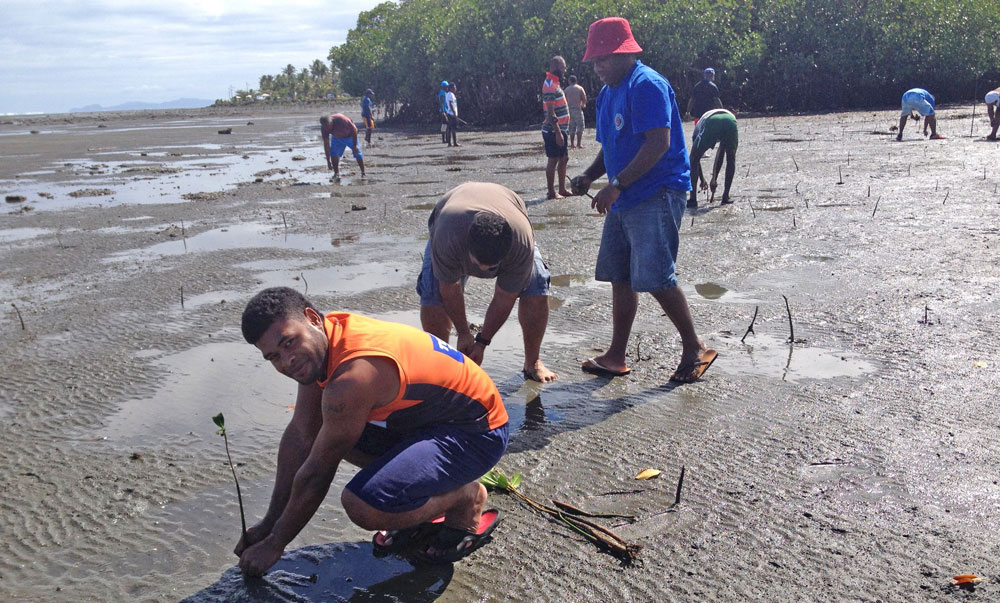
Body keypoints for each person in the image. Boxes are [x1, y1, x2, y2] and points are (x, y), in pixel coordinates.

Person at [234, 287, 508, 575]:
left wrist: (276, 543)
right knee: (325, 432)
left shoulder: (353, 375)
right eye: (273, 357)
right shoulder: (326, 341)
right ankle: (420, 496)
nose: (286, 361)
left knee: (364, 504)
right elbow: (301, 435)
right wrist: (268, 524)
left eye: (289, 343)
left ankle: (465, 497)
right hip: (432, 420)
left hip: (479, 431)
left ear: (312, 318)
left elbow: (317, 473)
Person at [569, 17, 717, 383]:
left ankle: (694, 346)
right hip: (624, 194)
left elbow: (659, 144)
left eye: (605, 58)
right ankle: (616, 355)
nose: (599, 66)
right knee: (620, 275)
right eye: (595, 61)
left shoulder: (646, 84)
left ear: (625, 54)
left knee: (655, 276)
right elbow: (611, 148)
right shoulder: (606, 94)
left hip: (657, 191)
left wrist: (616, 185)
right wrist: (590, 176)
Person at [417, 182, 558, 383]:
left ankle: (532, 361)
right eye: (478, 264)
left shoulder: (520, 243)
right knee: (433, 295)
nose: (483, 271)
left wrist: (482, 342)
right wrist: (464, 333)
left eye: (491, 267)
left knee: (536, 285)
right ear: (468, 251)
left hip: (511, 212)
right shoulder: (448, 237)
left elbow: (504, 296)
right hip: (449, 218)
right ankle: (440, 364)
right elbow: (449, 288)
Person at [687, 108, 738, 208]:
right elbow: (721, 154)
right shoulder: (729, 116)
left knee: (693, 158)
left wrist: (703, 180)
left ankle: (693, 199)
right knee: (731, 158)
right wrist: (713, 178)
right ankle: (726, 196)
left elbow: (695, 160)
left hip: (711, 121)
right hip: (731, 121)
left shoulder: (697, 130)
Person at [542, 56, 572, 199]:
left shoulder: (555, 83)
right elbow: (550, 111)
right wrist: (558, 132)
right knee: (553, 159)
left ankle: (562, 188)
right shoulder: (549, 84)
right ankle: (551, 192)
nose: (565, 70)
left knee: (564, 158)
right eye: (563, 67)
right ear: (557, 66)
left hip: (562, 129)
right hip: (553, 130)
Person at [320, 113, 366, 178]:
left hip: (349, 136)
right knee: (334, 154)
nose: (328, 128)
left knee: (357, 153)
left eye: (328, 126)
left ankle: (363, 172)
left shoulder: (341, 119)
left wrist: (355, 146)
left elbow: (355, 130)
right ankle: (336, 173)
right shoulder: (324, 128)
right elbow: (326, 145)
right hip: (336, 138)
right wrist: (328, 161)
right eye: (325, 127)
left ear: (331, 122)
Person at [564, 75, 588, 149]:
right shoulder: (580, 88)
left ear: (570, 81)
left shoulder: (566, 89)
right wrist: (583, 104)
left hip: (569, 110)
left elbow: (563, 100)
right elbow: (584, 97)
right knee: (580, 126)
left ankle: (572, 144)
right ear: (576, 81)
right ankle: (579, 144)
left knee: (571, 127)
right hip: (577, 109)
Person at [445, 82, 460, 147]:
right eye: (454, 87)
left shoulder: (448, 94)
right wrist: (454, 113)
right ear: (451, 88)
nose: (455, 88)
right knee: (453, 129)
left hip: (449, 113)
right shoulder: (451, 95)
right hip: (451, 114)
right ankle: (454, 143)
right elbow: (451, 104)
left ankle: (450, 143)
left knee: (450, 129)